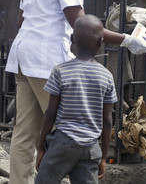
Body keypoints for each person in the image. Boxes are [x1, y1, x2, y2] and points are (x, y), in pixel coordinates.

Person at [5, 0, 146, 184]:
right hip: (46, 59)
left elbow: (22, 18)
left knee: (24, 132)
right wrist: (128, 40)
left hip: (24, 54)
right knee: (67, 132)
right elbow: (81, 25)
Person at [34, 15, 116, 184]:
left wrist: (41, 147)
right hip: (91, 148)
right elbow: (108, 120)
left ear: (72, 39)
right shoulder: (106, 76)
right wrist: (103, 156)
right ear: (101, 43)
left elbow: (50, 113)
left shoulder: (60, 71)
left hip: (63, 143)